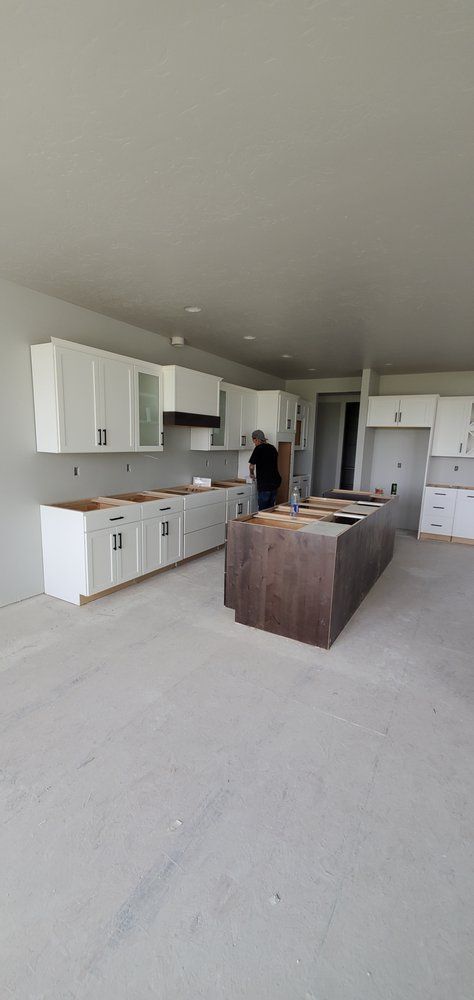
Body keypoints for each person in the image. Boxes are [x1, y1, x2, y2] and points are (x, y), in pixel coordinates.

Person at [248, 430, 282, 510]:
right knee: (270, 509)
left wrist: (252, 474)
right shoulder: (273, 448)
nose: (254, 443)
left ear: (256, 439)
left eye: (254, 441)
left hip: (265, 484)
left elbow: (251, 466)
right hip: (275, 482)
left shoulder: (258, 448)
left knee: (263, 511)